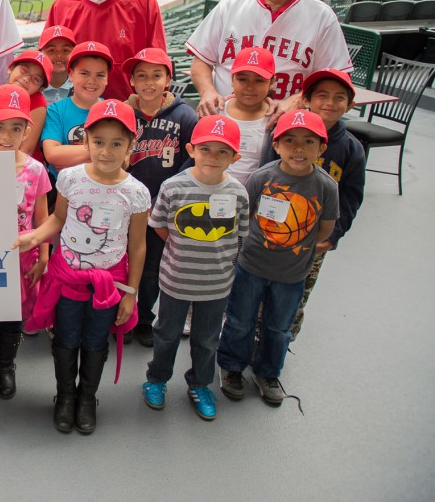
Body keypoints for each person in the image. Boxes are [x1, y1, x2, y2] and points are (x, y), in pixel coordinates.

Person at [16, 100, 150, 435]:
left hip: (108, 286)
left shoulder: (135, 193)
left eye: (116, 143)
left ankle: (87, 397)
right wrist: (34, 237)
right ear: (86, 141)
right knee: (66, 337)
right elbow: (58, 219)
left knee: (95, 341)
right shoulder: (70, 178)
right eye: (99, 142)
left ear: (130, 146)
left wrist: (131, 293)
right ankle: (64, 396)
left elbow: (137, 245)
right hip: (67, 280)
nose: (106, 152)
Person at [217, 110, 338, 407]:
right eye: (290, 140)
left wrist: (302, 248)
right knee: (239, 320)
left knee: (278, 327)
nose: (298, 148)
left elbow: (325, 228)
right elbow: (244, 216)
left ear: (321, 148)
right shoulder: (262, 177)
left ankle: (268, 372)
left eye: (308, 141)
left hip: (293, 272)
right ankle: (232, 367)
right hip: (252, 264)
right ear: (277, 145)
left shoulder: (326, 186)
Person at [142, 115, 250, 421]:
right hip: (176, 280)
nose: (212, 157)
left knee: (207, 338)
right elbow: (161, 227)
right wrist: (183, 248)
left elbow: (239, 234)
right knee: (166, 334)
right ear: (191, 149)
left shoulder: (239, 193)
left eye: (222, 151)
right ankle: (156, 379)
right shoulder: (173, 187)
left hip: (216, 284)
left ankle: (200, 384)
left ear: (235, 157)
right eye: (205, 149)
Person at [186, 0, 353, 121]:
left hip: (287, 126)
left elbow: (338, 78)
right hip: (227, 120)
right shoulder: (231, 5)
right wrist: (207, 92)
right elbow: (201, 61)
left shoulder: (322, 16)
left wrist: (298, 100)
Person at [260, 69, 365, 341]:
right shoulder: (283, 134)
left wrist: (333, 235)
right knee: (259, 289)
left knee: (296, 294)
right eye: (322, 96)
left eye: (339, 97)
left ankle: (281, 341)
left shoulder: (351, 149)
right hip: (273, 232)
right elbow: (263, 176)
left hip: (314, 239)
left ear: (350, 105)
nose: (330, 103)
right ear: (305, 99)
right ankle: (250, 341)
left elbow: (352, 197)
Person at [0, 84, 50, 399]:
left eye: (15, 128)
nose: (6, 135)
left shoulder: (35, 171)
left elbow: (42, 219)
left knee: (13, 315)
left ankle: (6, 364)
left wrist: (43, 256)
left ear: (27, 130)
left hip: (22, 259)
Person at [120, 48, 197, 347]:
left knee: (151, 267)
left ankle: (142, 318)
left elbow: (192, 158)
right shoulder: (123, 112)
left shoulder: (184, 115)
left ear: (168, 78)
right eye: (141, 75)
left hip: (160, 208)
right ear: (131, 80)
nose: (148, 82)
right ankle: (118, 316)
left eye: (156, 75)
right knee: (119, 260)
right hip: (125, 204)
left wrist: (169, 198)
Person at [41, 41, 113, 181]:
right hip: (63, 192)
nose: (92, 81)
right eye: (84, 73)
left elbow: (123, 159)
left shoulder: (112, 110)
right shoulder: (56, 110)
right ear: (71, 75)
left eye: (100, 75)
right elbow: (52, 153)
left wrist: (70, 158)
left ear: (107, 78)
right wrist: (103, 151)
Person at [0, 49, 52, 158]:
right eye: (23, 70)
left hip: (25, 166)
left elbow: (26, 149)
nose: (27, 79)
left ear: (40, 88)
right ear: (10, 69)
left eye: (36, 79)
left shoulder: (37, 101)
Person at [221, 47, 276, 185]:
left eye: (259, 81)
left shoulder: (276, 119)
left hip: (255, 197)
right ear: (232, 79)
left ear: (272, 83)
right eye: (242, 79)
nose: (250, 87)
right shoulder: (215, 111)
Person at [38, 25, 78, 104]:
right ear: (40, 54)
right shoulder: (31, 88)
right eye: (52, 50)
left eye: (65, 50)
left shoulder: (82, 88)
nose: (59, 55)